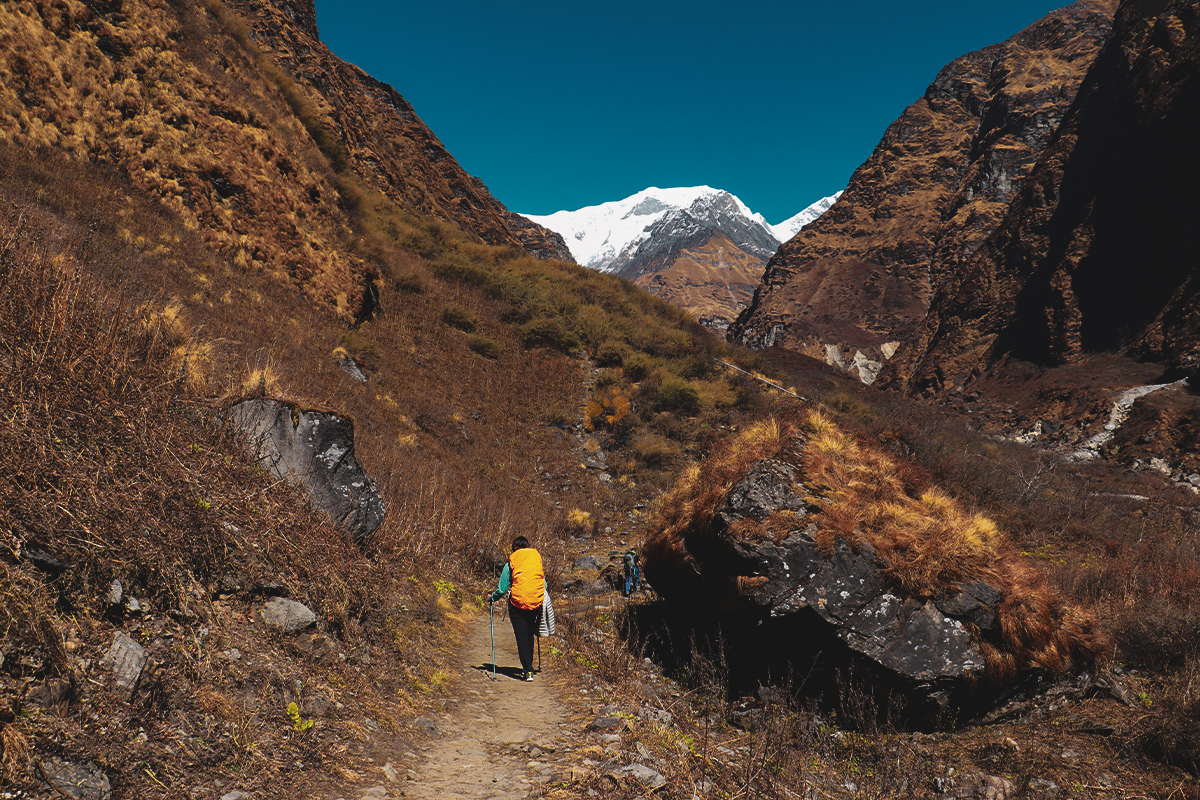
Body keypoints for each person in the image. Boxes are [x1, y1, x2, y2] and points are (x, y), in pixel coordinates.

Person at [488, 536, 544, 681]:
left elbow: (501, 589)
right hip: (535, 603)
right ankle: (529, 666)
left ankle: (527, 670)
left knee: (521, 636)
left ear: (514, 549)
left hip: (517, 603)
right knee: (530, 634)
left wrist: (492, 598)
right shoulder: (535, 561)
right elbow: (544, 584)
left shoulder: (511, 563)